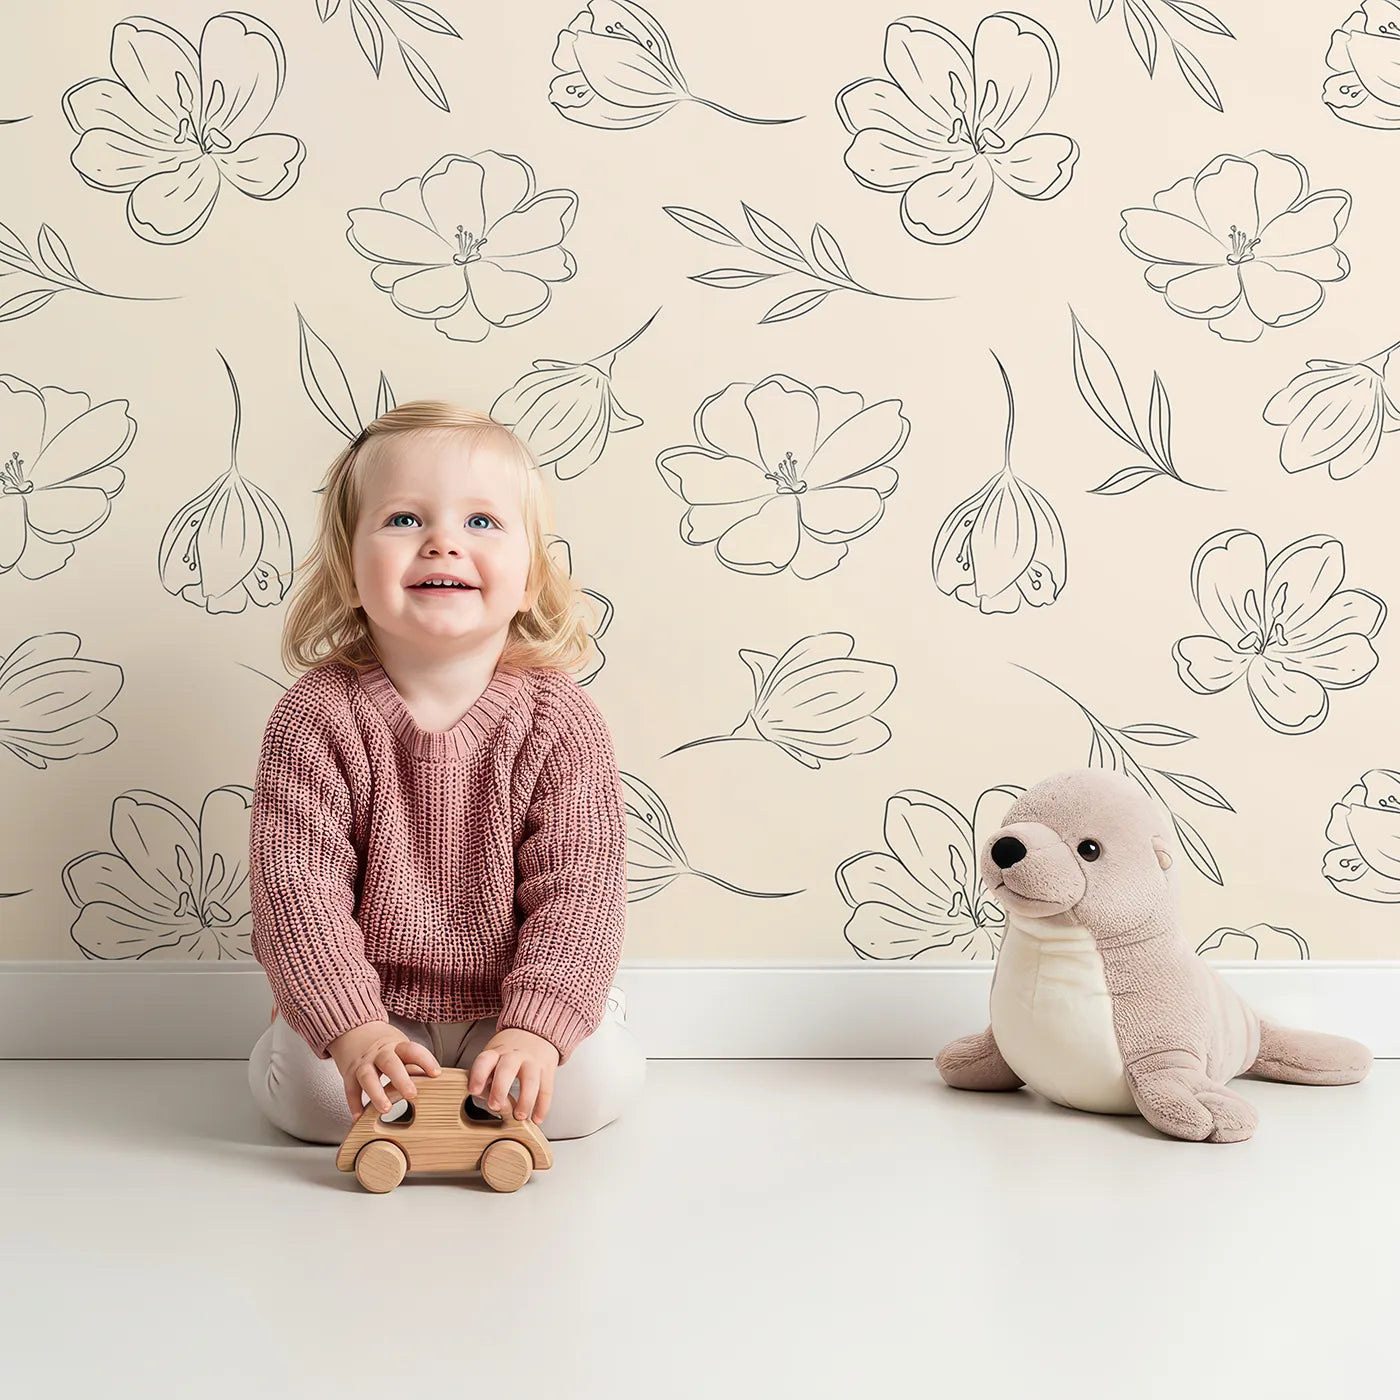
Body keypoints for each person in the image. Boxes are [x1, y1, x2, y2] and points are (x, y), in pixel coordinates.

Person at [246, 403, 644, 1146]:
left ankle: (582, 1015)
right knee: (316, 1107)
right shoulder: (316, 715)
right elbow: (296, 890)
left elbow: (581, 889)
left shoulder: (559, 718)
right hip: (377, 1004)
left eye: (482, 522)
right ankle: (302, 1024)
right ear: (350, 572)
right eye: (403, 519)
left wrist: (536, 1030)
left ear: (529, 581)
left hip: (510, 1000)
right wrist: (353, 1029)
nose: (443, 543)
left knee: (585, 1095)